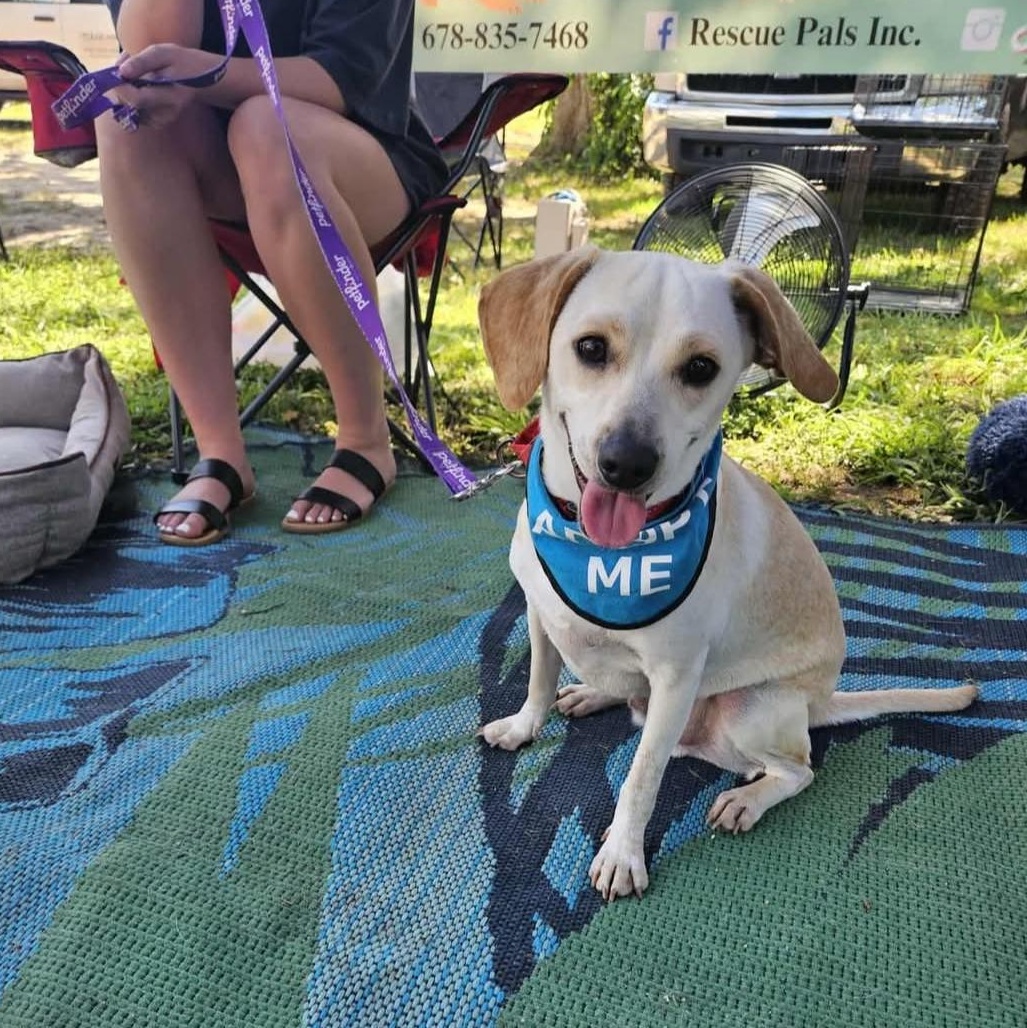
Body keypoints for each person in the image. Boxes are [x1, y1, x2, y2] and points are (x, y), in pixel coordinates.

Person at [99, 0, 448, 545]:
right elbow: (145, 56)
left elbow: (338, 79)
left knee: (264, 125)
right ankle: (219, 453)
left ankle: (364, 438)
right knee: (124, 123)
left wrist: (201, 74)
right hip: (218, 164)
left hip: (355, 157)